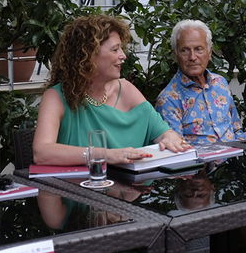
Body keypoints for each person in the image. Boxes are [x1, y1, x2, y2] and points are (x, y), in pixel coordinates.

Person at [33, 14, 189, 166]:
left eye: (121, 48)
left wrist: (169, 138)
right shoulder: (56, 97)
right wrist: (106, 155)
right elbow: (42, 153)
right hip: (78, 189)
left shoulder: (126, 89)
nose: (123, 56)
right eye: (115, 50)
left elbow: (164, 132)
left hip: (130, 189)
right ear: (89, 56)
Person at [156, 20, 246, 144]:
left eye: (199, 49)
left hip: (234, 158)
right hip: (200, 163)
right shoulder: (169, 99)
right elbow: (177, 151)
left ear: (209, 53)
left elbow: (236, 128)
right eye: (185, 50)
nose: (192, 57)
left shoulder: (220, 83)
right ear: (175, 55)